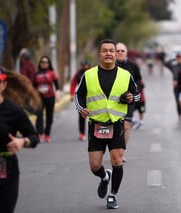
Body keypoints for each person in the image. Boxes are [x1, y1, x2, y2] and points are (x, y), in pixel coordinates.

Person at [75, 39, 139, 209]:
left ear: (116, 54)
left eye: (112, 50)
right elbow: (78, 95)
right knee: (95, 165)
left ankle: (113, 195)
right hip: (96, 124)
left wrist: (132, 98)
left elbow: (137, 95)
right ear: (99, 54)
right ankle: (104, 177)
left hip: (117, 123)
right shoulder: (88, 75)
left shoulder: (125, 75)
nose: (109, 53)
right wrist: (81, 109)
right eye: (105, 51)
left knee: (117, 160)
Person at [0, 65, 40, 213]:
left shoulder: (14, 111)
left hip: (7, 176)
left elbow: (34, 137)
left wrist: (22, 142)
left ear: (4, 85)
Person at [116, 42, 143, 161]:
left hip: (128, 99)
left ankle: (121, 152)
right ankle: (114, 149)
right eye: (117, 51)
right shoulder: (110, 66)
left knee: (126, 126)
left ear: (126, 52)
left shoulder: (133, 66)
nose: (120, 53)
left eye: (122, 51)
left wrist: (135, 93)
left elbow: (139, 80)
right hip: (113, 101)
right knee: (115, 126)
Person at [33, 55, 61, 143]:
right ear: (40, 63)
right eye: (42, 62)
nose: (44, 64)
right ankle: (39, 133)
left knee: (50, 118)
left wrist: (57, 94)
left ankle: (47, 134)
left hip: (50, 97)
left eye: (46, 62)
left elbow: (56, 85)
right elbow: (33, 86)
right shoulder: (36, 73)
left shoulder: (52, 73)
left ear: (49, 63)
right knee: (39, 115)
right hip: (39, 98)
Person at [70, 60, 91, 141]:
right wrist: (71, 94)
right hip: (82, 97)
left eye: (86, 65)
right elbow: (73, 83)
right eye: (83, 65)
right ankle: (82, 133)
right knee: (82, 115)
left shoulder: (93, 72)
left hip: (92, 97)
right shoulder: (78, 73)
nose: (84, 67)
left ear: (89, 65)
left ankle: (96, 132)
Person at [164, 53, 181, 118]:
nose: (179, 59)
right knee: (178, 101)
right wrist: (174, 59)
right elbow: (166, 63)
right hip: (176, 86)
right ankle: (180, 114)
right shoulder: (174, 66)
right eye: (178, 58)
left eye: (180, 58)